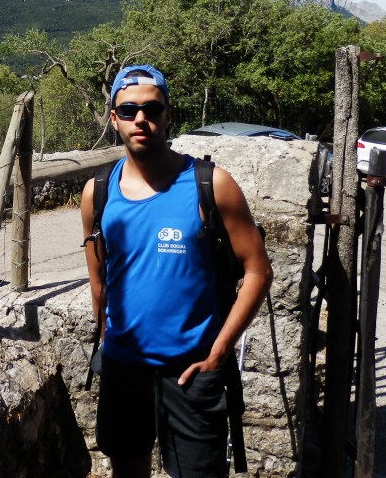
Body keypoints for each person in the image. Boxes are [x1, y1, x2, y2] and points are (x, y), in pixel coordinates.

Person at [81, 65, 273, 478]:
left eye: (152, 109)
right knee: (126, 469)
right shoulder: (97, 192)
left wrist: (219, 352)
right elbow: (100, 282)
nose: (140, 119)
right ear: (113, 119)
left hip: (191, 371)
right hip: (123, 367)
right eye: (128, 110)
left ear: (168, 115)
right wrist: (104, 345)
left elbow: (257, 271)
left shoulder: (211, 185)